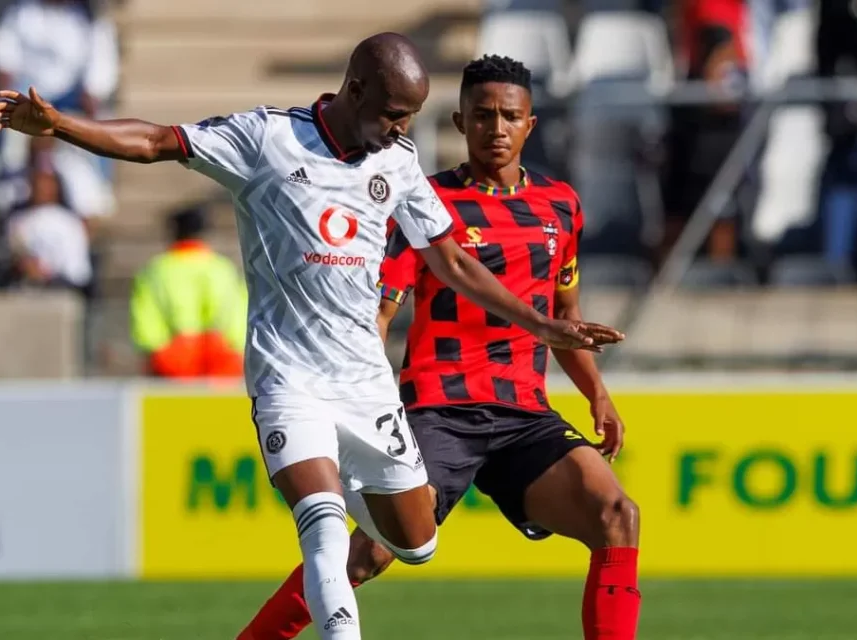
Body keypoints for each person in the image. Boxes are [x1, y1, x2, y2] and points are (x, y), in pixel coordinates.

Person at [0, 35, 624, 639]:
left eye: (411, 116)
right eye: (394, 113)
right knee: (321, 528)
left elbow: (452, 262)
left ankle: (356, 483)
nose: (403, 128)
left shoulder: (399, 163)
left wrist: (544, 327)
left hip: (369, 389)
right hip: (292, 379)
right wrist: (62, 126)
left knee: (413, 542)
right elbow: (157, 140)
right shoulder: (267, 139)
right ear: (355, 91)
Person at [238, 55, 640, 640]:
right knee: (366, 557)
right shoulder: (420, 200)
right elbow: (380, 311)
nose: (496, 129)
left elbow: (563, 315)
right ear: (459, 121)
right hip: (438, 412)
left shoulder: (561, 206)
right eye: (482, 115)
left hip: (524, 414)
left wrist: (596, 392)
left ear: (531, 124)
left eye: (509, 116)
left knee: (616, 515)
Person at [130, 205, 247, 379]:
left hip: (172, 366)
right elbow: (240, 320)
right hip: (223, 364)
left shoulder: (154, 271)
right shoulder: (223, 269)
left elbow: (146, 325)